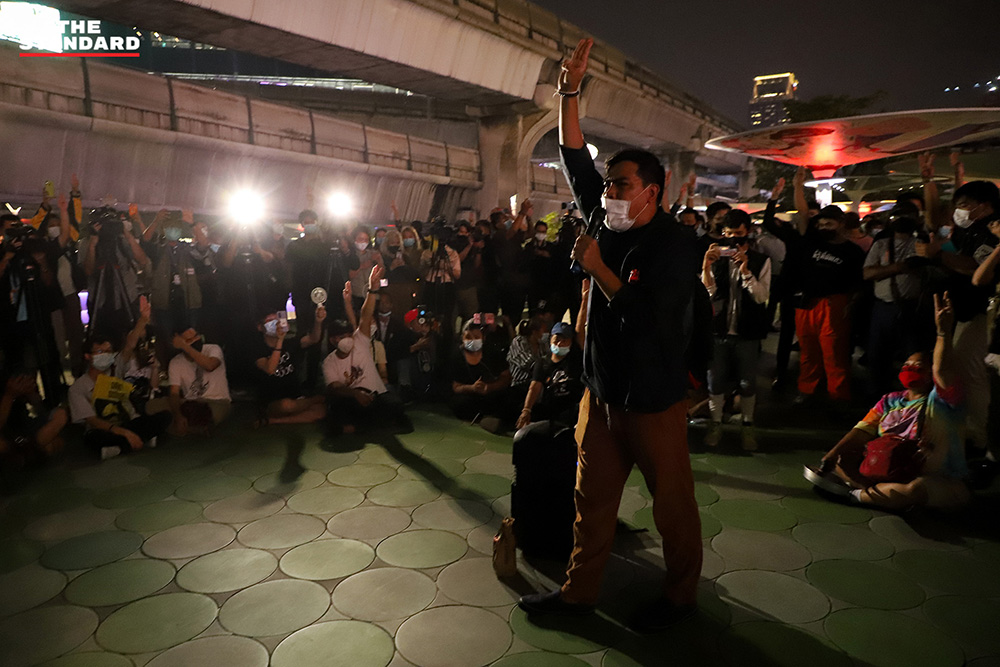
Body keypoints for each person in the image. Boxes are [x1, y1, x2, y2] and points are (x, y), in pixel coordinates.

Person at [518, 39, 705, 633]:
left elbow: (654, 321)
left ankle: (680, 597)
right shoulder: (604, 218)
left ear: (654, 191)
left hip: (652, 402)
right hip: (599, 397)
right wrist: (568, 92)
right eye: (608, 186)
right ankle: (578, 594)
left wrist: (600, 270)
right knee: (590, 501)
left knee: (672, 506)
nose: (609, 194)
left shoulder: (675, 246)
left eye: (621, 185)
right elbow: (574, 155)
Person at [806, 293, 969, 511]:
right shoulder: (891, 400)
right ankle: (876, 493)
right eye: (906, 365)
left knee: (916, 489)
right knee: (844, 459)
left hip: (933, 478)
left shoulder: (944, 401)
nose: (909, 369)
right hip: (889, 470)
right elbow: (862, 431)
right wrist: (831, 456)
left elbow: (942, 370)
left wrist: (943, 332)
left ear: (931, 374)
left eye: (918, 367)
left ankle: (857, 494)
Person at [763, 168, 865, 405]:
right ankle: (807, 390)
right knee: (808, 350)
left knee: (834, 353)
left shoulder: (852, 251)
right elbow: (802, 214)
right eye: (820, 224)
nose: (823, 227)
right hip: (806, 302)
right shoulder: (810, 241)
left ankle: (838, 396)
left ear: (841, 224)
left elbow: (859, 281)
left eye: (829, 223)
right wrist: (797, 187)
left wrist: (851, 304)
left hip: (834, 304)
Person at [918, 181, 1000, 463]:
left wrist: (939, 255)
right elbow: (935, 221)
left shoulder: (991, 232)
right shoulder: (973, 229)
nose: (958, 211)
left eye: (964, 205)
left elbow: (978, 272)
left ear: (985, 206)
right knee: (964, 370)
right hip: (967, 312)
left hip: (982, 314)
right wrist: (930, 182)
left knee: (972, 373)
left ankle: (981, 439)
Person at [701, 209, 771, 451]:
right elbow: (706, 295)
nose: (733, 240)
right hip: (718, 330)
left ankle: (747, 425)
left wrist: (746, 272)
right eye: (729, 234)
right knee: (715, 380)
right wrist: (706, 267)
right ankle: (715, 423)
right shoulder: (717, 257)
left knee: (747, 382)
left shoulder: (761, 260)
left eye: (738, 234)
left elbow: (761, 297)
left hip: (747, 331)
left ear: (748, 232)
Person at [322, 265, 409, 434]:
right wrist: (355, 394)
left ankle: (365, 425)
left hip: (376, 396)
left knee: (395, 408)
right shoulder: (329, 362)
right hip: (352, 399)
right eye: (342, 336)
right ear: (333, 340)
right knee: (339, 413)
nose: (348, 339)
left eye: (349, 335)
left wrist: (372, 291)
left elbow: (365, 315)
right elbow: (335, 387)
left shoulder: (360, 342)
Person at [863, 203, 934, 398]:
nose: (902, 220)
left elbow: (932, 273)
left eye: (907, 216)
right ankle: (878, 399)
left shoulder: (923, 245)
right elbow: (867, 273)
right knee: (877, 357)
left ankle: (916, 399)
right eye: (898, 216)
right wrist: (900, 267)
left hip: (912, 307)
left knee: (914, 358)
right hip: (884, 307)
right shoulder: (881, 244)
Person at [69, 328, 170, 460]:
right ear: (88, 356)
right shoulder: (78, 387)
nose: (105, 355)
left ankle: (119, 448)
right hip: (105, 429)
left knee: (164, 417)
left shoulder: (116, 370)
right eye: (100, 352)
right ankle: (135, 441)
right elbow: (92, 420)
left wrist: (142, 321)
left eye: (108, 351)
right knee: (92, 438)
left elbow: (130, 346)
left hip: (128, 422)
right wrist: (125, 433)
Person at [253, 305, 327, 426]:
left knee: (321, 411)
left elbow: (313, 339)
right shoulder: (257, 349)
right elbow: (270, 369)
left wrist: (318, 321)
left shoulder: (290, 342)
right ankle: (314, 400)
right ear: (260, 327)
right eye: (270, 321)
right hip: (272, 401)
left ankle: (274, 421)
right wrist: (280, 340)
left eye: (276, 320)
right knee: (286, 405)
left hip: (296, 397)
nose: (275, 324)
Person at [516, 319, 585, 430]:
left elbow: (580, 330)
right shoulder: (543, 362)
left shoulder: (576, 360)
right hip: (550, 408)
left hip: (571, 409)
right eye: (557, 339)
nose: (560, 343)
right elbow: (534, 387)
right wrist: (526, 410)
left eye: (564, 340)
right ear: (550, 339)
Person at [450, 319, 516, 433]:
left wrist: (489, 387)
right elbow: (456, 387)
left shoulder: (492, 352)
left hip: (491, 392)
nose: (472, 341)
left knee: (510, 397)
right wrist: (472, 388)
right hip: (471, 395)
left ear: (483, 338)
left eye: (476, 337)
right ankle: (486, 418)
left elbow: (507, 378)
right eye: (468, 337)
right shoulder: (457, 356)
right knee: (458, 403)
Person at [164, 327, 231, 435]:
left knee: (206, 413)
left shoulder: (213, 349)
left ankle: (189, 427)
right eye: (190, 340)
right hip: (190, 402)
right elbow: (174, 393)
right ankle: (190, 426)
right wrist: (178, 415)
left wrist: (185, 346)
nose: (196, 340)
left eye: (196, 336)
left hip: (216, 401)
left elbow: (210, 366)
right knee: (154, 406)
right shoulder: (176, 362)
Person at [507, 315, 548, 393]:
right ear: (534, 332)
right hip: (519, 385)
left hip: (536, 384)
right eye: (543, 330)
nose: (546, 333)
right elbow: (526, 363)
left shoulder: (542, 345)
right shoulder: (519, 342)